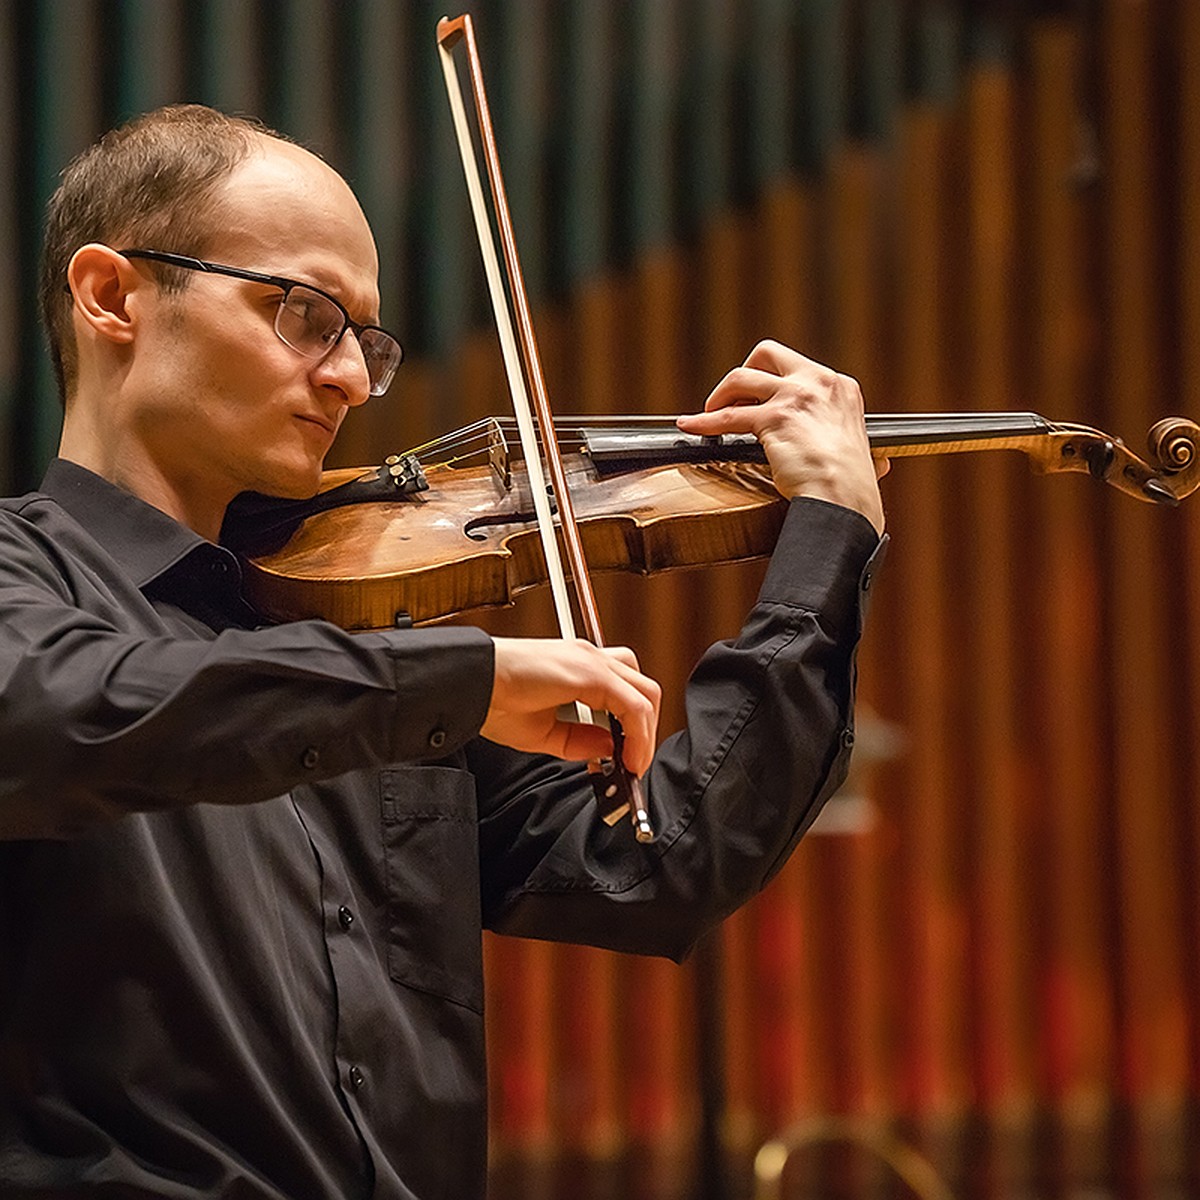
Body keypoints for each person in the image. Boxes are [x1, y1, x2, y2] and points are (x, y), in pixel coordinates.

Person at [0, 104, 886, 1200]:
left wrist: (827, 541)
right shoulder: (22, 588)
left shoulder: (357, 639)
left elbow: (660, 865)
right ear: (111, 295)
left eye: (362, 341)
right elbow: (52, 712)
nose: (345, 379)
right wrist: (455, 683)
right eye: (302, 313)